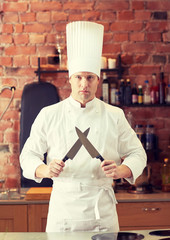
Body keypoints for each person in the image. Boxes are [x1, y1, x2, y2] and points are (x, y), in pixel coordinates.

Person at [20, 21, 147, 232]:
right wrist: (46, 169)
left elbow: (138, 154)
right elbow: (27, 157)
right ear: (70, 79)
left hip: (102, 215)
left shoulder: (114, 115)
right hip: (63, 215)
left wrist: (119, 171)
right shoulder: (49, 115)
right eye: (78, 77)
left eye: (90, 78)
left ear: (98, 80)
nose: (84, 84)